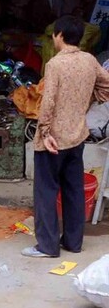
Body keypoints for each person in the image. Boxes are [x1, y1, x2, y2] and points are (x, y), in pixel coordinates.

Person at [23, 15, 109, 258]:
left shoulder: (55, 65)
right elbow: (107, 84)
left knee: (46, 192)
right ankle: (73, 242)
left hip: (54, 139)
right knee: (73, 190)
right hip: (77, 135)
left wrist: (44, 132)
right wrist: (94, 97)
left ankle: (47, 246)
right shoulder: (90, 61)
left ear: (58, 35)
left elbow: (47, 102)